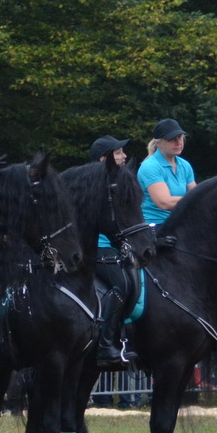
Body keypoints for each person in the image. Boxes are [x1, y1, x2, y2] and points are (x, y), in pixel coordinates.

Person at [87, 134, 138, 366]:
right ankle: (106, 343)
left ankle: (131, 339)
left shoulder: (115, 183)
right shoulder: (91, 183)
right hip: (97, 247)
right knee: (122, 284)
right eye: (118, 153)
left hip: (114, 246)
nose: (124, 156)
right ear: (103, 159)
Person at [138, 118, 196, 226]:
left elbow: (195, 192)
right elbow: (164, 202)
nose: (178, 142)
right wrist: (199, 199)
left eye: (180, 138)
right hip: (155, 226)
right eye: (172, 139)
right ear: (158, 143)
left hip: (179, 223)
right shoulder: (150, 166)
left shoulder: (185, 165)